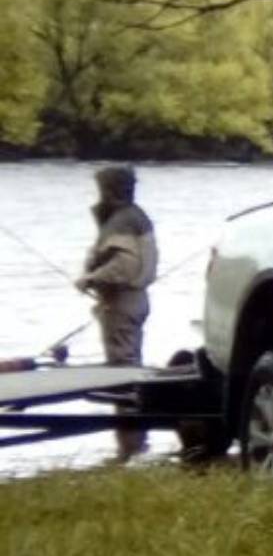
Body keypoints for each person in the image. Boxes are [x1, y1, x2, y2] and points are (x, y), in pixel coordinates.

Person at [73, 164, 158, 461]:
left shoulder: (121, 221)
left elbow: (125, 265)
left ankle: (131, 446)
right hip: (136, 300)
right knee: (130, 366)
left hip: (122, 303)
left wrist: (90, 278)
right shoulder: (137, 217)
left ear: (109, 190)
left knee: (122, 373)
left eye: (101, 188)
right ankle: (135, 442)